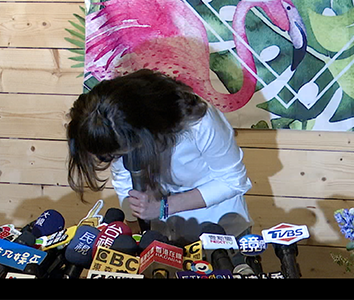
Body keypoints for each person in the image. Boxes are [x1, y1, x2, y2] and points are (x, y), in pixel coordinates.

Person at [66, 69, 253, 245]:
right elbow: (123, 179)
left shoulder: (200, 122)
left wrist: (163, 207)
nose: (115, 159)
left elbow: (233, 181)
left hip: (220, 230)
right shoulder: (117, 126)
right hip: (163, 233)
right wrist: (133, 223)